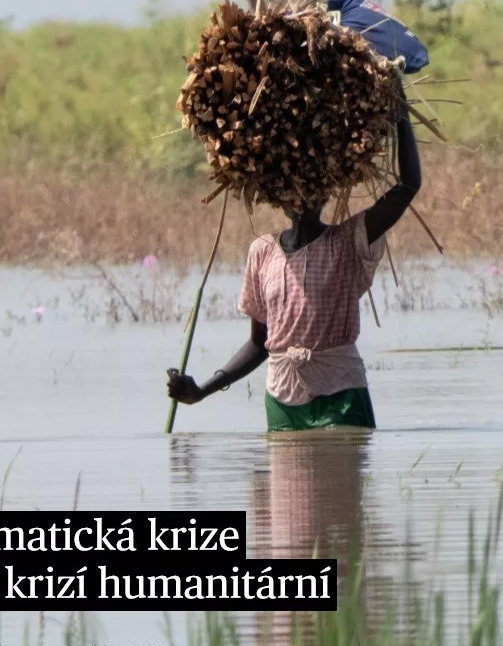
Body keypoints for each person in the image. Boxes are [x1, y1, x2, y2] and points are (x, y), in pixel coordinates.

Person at [166, 98, 421, 431]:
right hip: (283, 398)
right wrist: (201, 391)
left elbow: (407, 186)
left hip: (341, 392)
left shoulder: (348, 241)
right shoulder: (263, 253)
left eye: (312, 187)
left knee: (342, 474)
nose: (301, 197)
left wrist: (400, 113)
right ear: (278, 195)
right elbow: (260, 344)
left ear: (326, 191)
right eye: (292, 189)